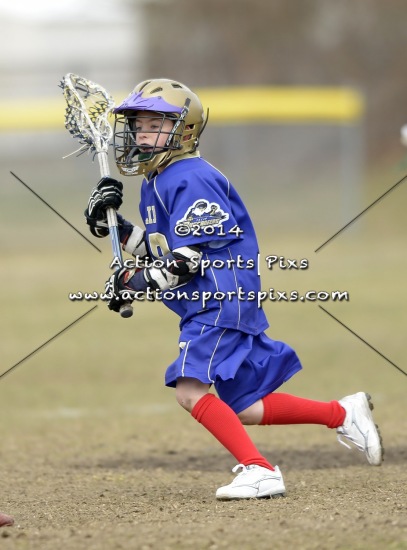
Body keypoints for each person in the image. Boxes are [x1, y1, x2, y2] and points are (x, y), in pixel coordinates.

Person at [84, 79, 383, 500]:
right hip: (207, 302)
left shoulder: (190, 178)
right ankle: (342, 413)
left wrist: (136, 282)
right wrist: (112, 228)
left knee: (190, 392)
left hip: (220, 301)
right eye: (137, 125)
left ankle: (259, 470)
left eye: (154, 124)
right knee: (243, 404)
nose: (141, 134)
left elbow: (189, 261)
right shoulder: (156, 181)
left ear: (184, 130)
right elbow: (162, 250)